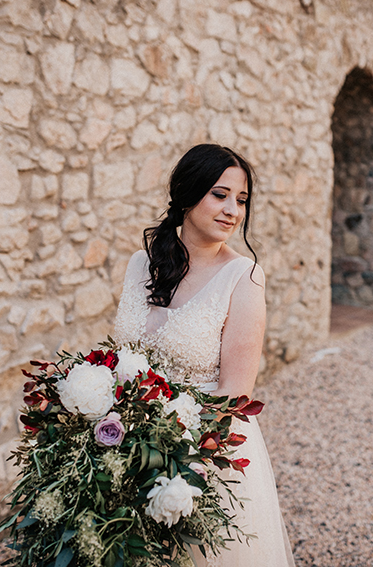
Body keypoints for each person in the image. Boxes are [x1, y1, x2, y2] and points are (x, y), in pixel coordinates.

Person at [112, 144, 296, 567]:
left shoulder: (243, 277)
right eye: (220, 194)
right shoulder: (140, 265)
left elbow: (235, 393)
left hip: (200, 455)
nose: (233, 209)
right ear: (187, 194)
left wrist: (176, 459)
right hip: (124, 444)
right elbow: (121, 356)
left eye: (242, 199)